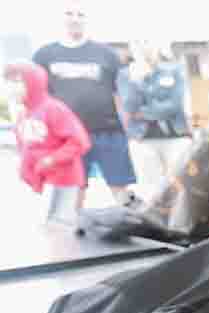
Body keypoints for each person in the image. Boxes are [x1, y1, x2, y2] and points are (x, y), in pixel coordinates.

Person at [32, 0, 136, 207]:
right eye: (70, 14)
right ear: (61, 19)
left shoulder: (106, 54)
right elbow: (37, 96)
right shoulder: (44, 55)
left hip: (108, 132)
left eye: (80, 14)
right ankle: (72, 232)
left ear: (87, 20)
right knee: (73, 190)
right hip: (67, 137)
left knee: (120, 188)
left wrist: (129, 127)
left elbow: (121, 94)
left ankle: (131, 231)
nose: (75, 19)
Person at [5, 62, 91, 223]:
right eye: (8, 82)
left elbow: (80, 141)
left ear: (33, 82)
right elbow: (25, 147)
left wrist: (50, 160)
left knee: (60, 230)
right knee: (42, 230)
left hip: (62, 179)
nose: (12, 87)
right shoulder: (23, 113)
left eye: (18, 82)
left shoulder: (53, 108)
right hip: (39, 181)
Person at [118, 39, 193, 191]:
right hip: (142, 139)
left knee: (182, 183)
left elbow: (175, 105)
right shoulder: (126, 74)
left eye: (148, 42)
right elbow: (130, 107)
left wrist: (144, 112)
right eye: (139, 43)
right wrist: (137, 80)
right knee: (150, 187)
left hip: (176, 136)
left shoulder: (175, 70)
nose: (144, 48)